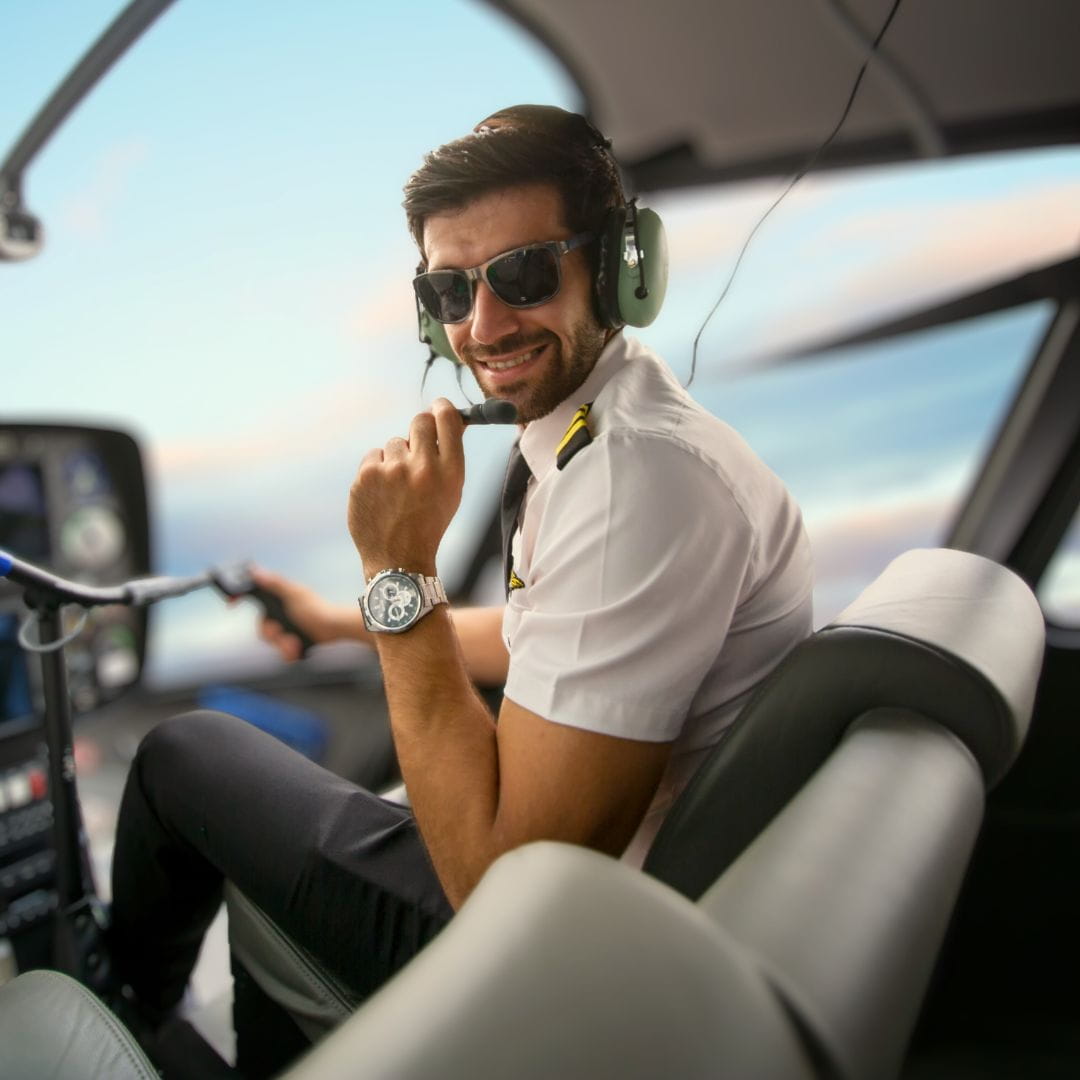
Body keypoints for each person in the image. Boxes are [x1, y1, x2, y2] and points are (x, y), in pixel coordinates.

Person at [107, 104, 813, 1038]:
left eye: (522, 275)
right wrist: (335, 619)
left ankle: (131, 1026)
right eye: (449, 291)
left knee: (182, 759)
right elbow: (545, 637)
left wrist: (397, 567)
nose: (482, 325)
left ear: (614, 270)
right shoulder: (607, 433)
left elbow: (500, 892)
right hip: (629, 901)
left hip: (566, 952)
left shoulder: (634, 481)